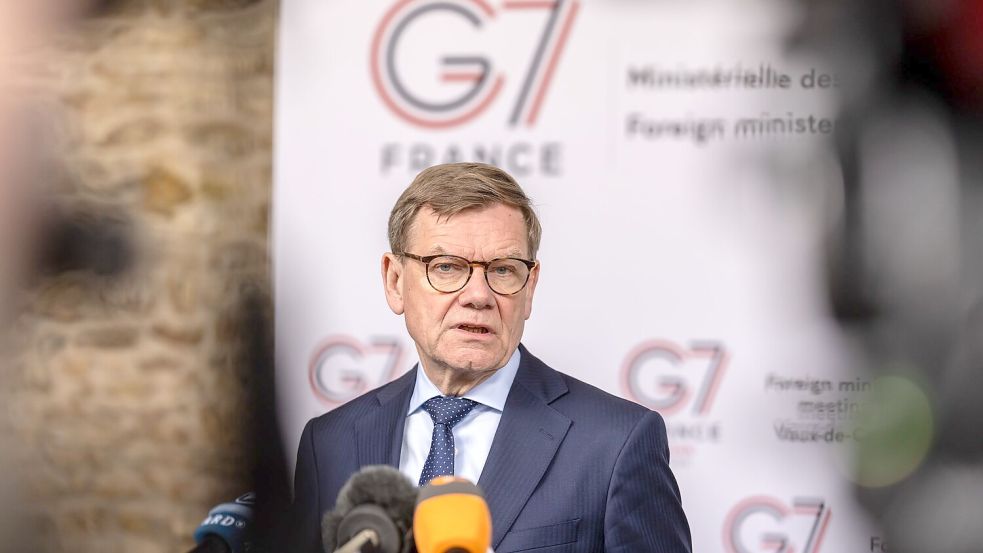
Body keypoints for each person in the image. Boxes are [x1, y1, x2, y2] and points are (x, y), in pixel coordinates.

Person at [291, 163, 692, 552]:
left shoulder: (615, 443)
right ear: (395, 281)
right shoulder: (328, 443)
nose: (479, 296)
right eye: (446, 267)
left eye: (502, 271)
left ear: (529, 287)